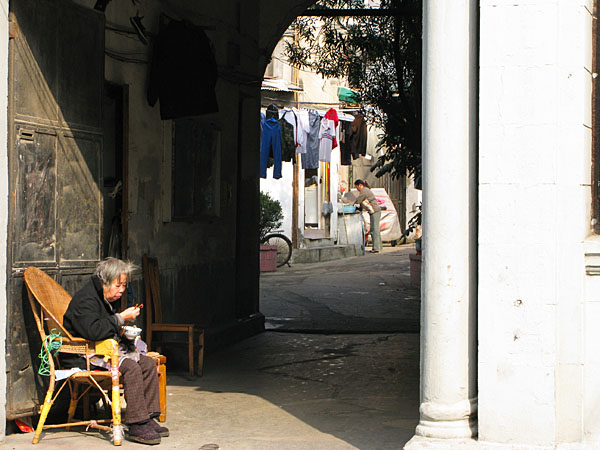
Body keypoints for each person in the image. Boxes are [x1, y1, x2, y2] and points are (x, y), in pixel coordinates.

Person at [63, 257, 169, 445]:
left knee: (146, 363)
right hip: (83, 355)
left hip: (101, 350)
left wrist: (124, 331)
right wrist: (120, 318)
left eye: (124, 285)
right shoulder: (86, 300)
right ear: (104, 281)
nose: (122, 290)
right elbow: (94, 331)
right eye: (118, 285)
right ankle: (136, 423)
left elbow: (105, 328)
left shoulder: (102, 297)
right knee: (130, 367)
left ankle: (148, 416)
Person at [354, 179, 382, 253]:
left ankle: (376, 248)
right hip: (375, 211)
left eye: (357, 187)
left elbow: (358, 200)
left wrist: (353, 205)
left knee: (374, 230)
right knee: (376, 230)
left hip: (374, 211)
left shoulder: (364, 191)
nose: (357, 189)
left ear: (360, 185)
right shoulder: (366, 190)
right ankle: (379, 247)